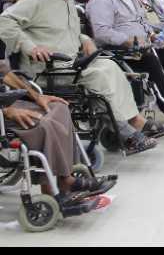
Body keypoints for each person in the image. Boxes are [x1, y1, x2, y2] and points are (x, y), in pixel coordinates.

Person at [0, 0, 164, 153]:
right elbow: (4, 22)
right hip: (48, 69)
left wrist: (85, 39)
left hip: (70, 63)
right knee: (98, 75)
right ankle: (126, 133)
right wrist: (30, 47)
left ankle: (133, 121)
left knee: (110, 66)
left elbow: (68, 32)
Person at [0, 72, 115, 204]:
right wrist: (6, 111)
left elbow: (4, 73)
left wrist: (37, 96)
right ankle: (54, 188)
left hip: (6, 103)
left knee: (60, 107)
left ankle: (66, 176)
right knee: (44, 124)